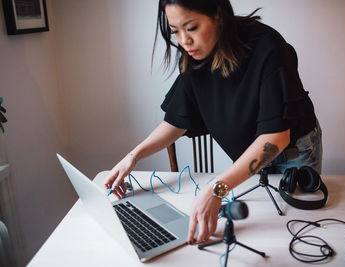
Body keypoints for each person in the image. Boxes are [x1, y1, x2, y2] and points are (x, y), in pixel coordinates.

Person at [104, 0, 322, 245]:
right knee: (260, 233)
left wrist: (217, 189)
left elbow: (276, 138)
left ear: (218, 15)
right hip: (249, 157)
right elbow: (177, 121)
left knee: (295, 232)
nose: (184, 41)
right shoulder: (194, 57)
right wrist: (133, 156)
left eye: (192, 27)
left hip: (292, 154)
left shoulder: (267, 46)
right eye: (175, 31)